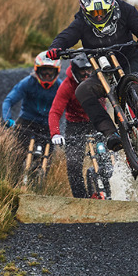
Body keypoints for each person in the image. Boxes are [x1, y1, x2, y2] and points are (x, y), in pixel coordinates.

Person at [46, 0, 138, 156]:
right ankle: (110, 133)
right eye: (94, 13)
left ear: (111, 4)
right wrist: (55, 48)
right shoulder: (81, 21)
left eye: (103, 11)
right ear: (85, 8)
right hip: (101, 69)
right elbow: (66, 36)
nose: (99, 15)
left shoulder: (126, 10)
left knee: (131, 87)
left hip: (129, 61)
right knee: (82, 91)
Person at [48, 54, 97, 198]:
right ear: (75, 71)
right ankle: (81, 199)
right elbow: (55, 111)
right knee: (74, 165)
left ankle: (105, 188)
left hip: (98, 122)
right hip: (75, 125)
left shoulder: (98, 80)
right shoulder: (67, 86)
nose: (86, 74)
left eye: (89, 70)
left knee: (106, 160)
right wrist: (55, 133)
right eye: (82, 71)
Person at [2, 50, 63, 156]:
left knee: (47, 158)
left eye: (50, 72)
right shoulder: (27, 83)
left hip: (49, 125)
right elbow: (8, 101)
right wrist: (7, 119)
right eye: (44, 71)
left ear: (57, 72)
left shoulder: (61, 87)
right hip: (27, 123)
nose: (47, 75)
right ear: (37, 70)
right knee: (18, 155)